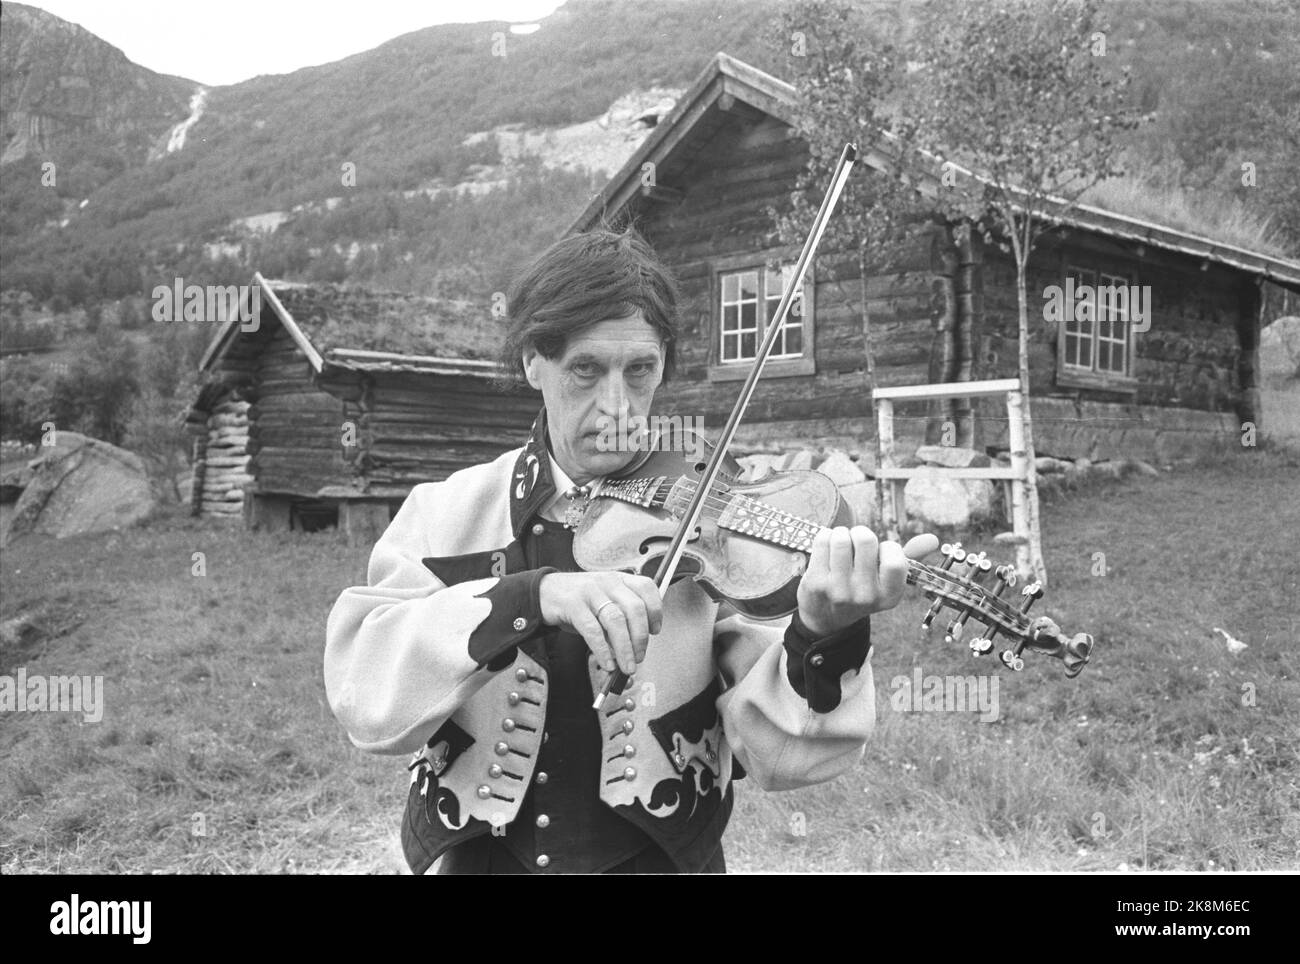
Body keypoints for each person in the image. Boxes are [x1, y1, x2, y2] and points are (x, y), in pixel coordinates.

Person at [324, 227, 936, 874]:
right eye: (586, 370)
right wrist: (531, 596)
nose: (617, 408)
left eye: (639, 371)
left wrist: (824, 633)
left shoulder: (713, 528)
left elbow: (785, 756)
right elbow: (365, 694)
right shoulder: (446, 511)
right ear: (535, 361)